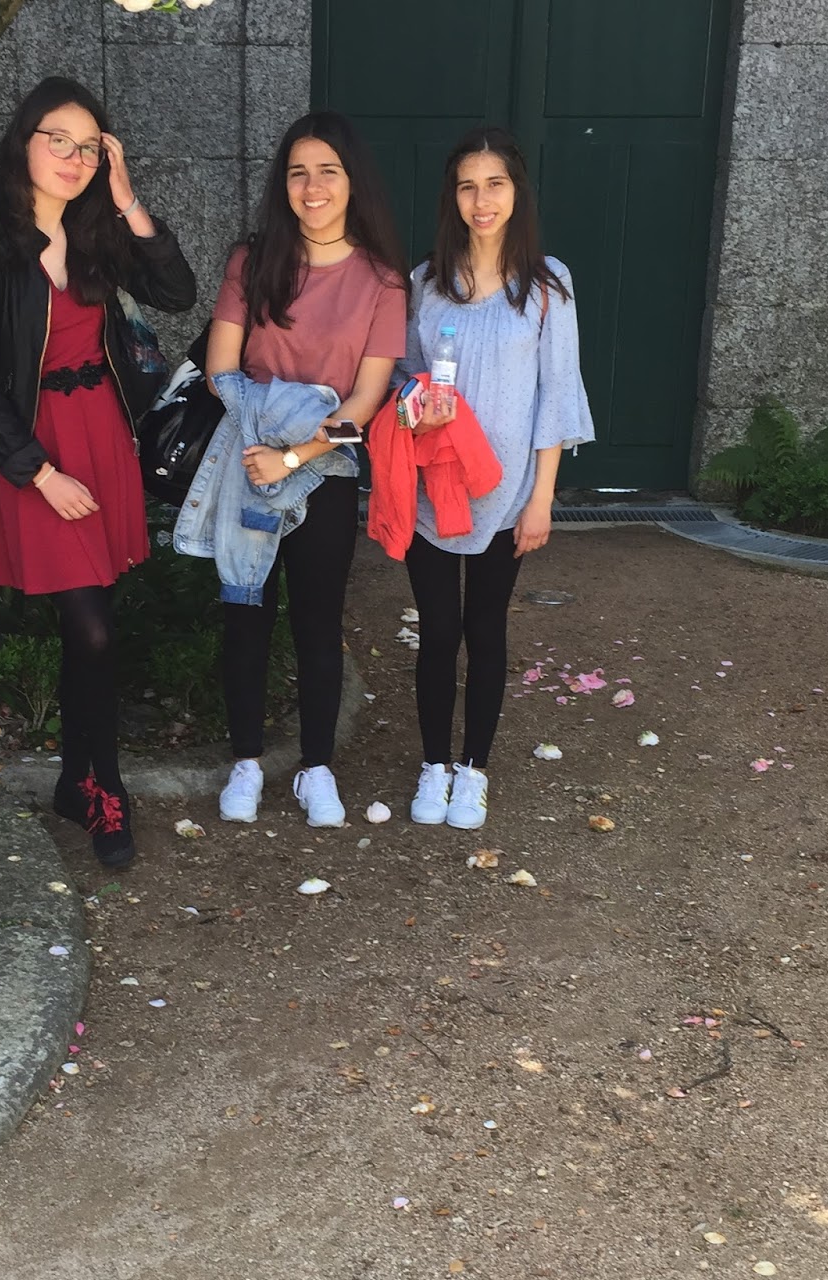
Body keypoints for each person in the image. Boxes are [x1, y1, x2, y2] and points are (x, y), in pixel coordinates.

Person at [0, 75, 196, 868]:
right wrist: (38, 472)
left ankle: (74, 780)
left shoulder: (97, 234)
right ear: (23, 142)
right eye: (58, 139)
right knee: (91, 629)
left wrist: (126, 200)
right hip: (39, 453)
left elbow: (177, 290)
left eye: (89, 147)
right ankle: (104, 788)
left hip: (103, 439)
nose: (74, 157)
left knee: (89, 629)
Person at [196, 111, 407, 828]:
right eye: (297, 172)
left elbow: (366, 401)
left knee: (318, 624)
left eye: (327, 172)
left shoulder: (382, 281)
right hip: (246, 467)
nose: (312, 187)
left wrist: (293, 453)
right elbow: (220, 371)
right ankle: (246, 762)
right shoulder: (251, 263)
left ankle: (316, 767)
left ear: (353, 182)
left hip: (324, 473)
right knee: (245, 615)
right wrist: (270, 443)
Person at [400, 127, 594, 829]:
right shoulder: (425, 283)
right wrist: (414, 406)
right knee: (437, 629)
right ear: (451, 197)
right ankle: (432, 765)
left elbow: (557, 394)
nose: (481, 201)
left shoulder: (547, 285)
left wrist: (542, 499)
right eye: (467, 187)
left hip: (507, 493)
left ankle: (472, 770)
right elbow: (401, 376)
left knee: (485, 629)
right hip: (432, 486)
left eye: (495, 185)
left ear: (517, 192)